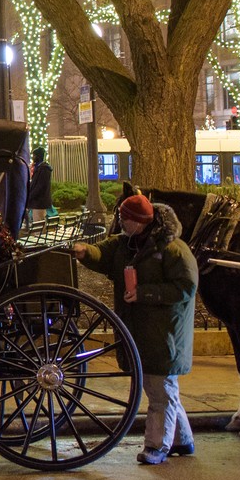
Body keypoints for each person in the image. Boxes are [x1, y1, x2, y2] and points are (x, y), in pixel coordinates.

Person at [73, 193, 199, 465]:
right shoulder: (126, 244)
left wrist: (145, 294)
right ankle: (182, 440)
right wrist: (84, 251)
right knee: (162, 389)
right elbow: (102, 253)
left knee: (159, 390)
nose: (119, 222)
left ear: (138, 222)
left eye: (123, 218)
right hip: (142, 331)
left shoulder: (173, 249)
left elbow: (186, 287)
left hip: (164, 334)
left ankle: (156, 447)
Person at [26, 147, 54, 225]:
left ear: (38, 156)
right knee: (38, 222)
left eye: (34, 155)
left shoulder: (43, 169)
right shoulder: (39, 168)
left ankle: (39, 236)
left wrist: (30, 196)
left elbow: (40, 186)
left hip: (39, 202)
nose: (33, 157)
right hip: (37, 201)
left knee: (39, 223)